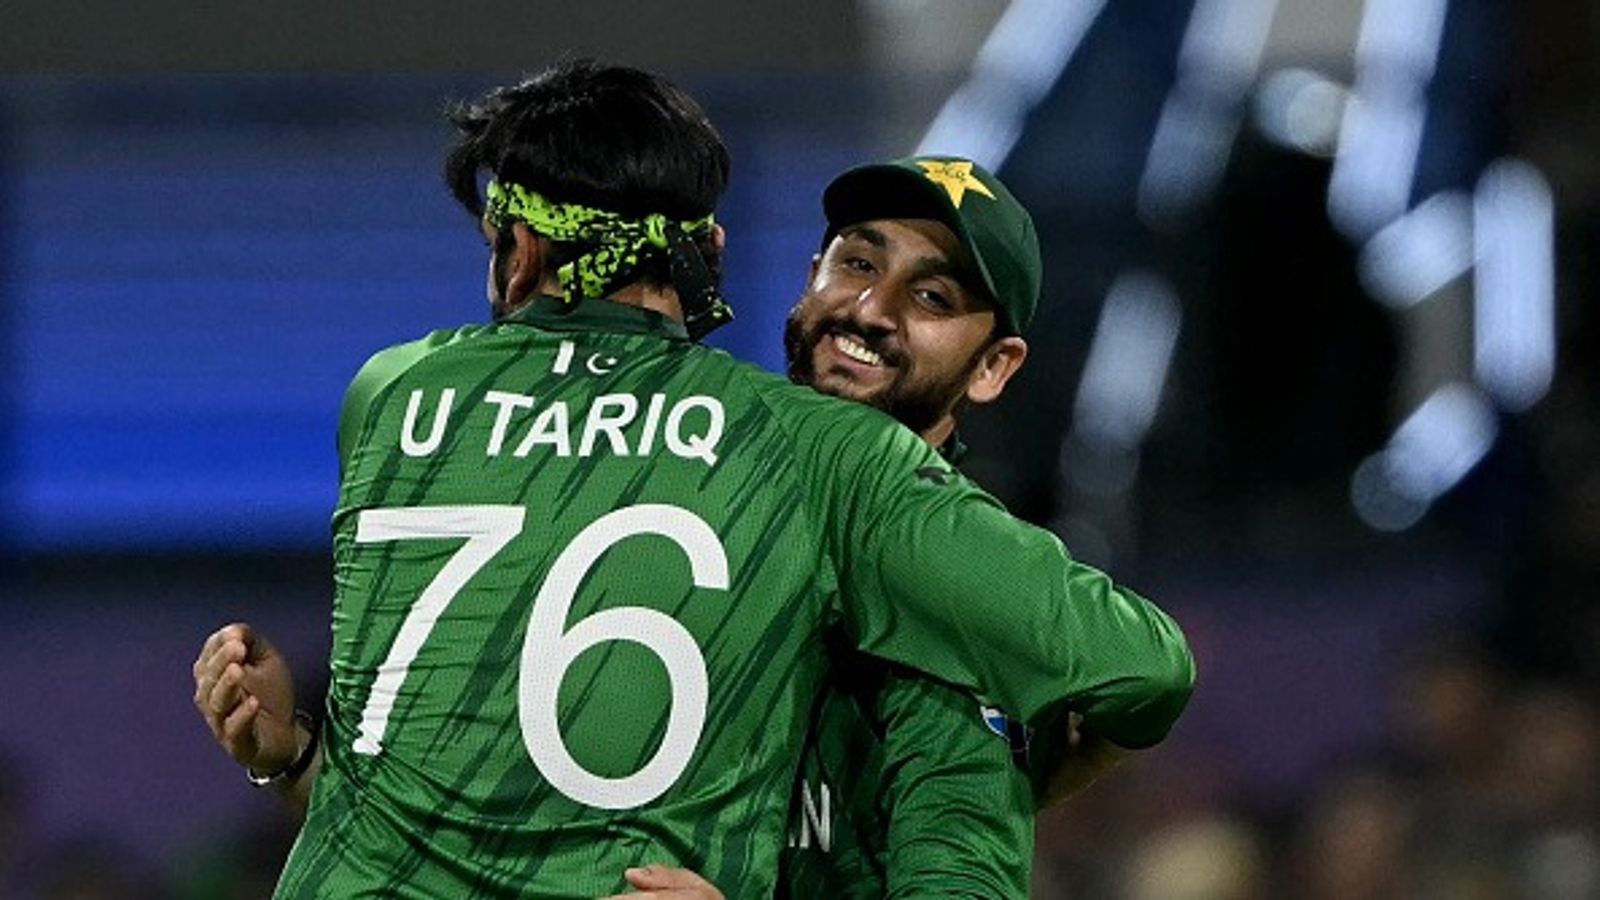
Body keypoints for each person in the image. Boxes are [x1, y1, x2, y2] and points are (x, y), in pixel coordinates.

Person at [194, 60, 1193, 898]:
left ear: (993, 367)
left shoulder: (400, 391)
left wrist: (1039, 761)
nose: (868, 309)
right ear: (739, 260)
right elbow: (481, 813)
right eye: (853, 263)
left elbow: (1139, 678)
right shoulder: (775, 459)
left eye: (930, 296)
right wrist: (295, 761)